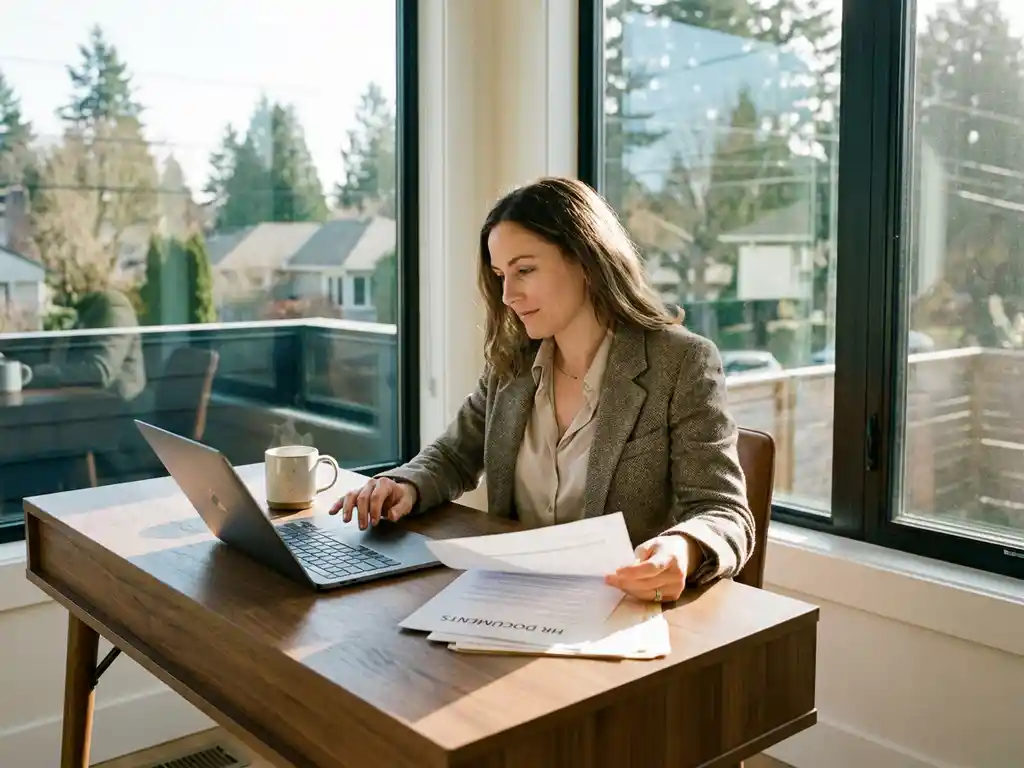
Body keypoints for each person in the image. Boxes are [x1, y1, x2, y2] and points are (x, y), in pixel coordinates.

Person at [331, 177, 754, 603]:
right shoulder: (512, 364)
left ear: (586, 260)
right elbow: (454, 456)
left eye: (524, 270)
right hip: (516, 600)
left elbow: (724, 511)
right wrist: (404, 485)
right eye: (500, 275)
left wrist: (683, 546)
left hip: (620, 611)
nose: (508, 295)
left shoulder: (681, 362)